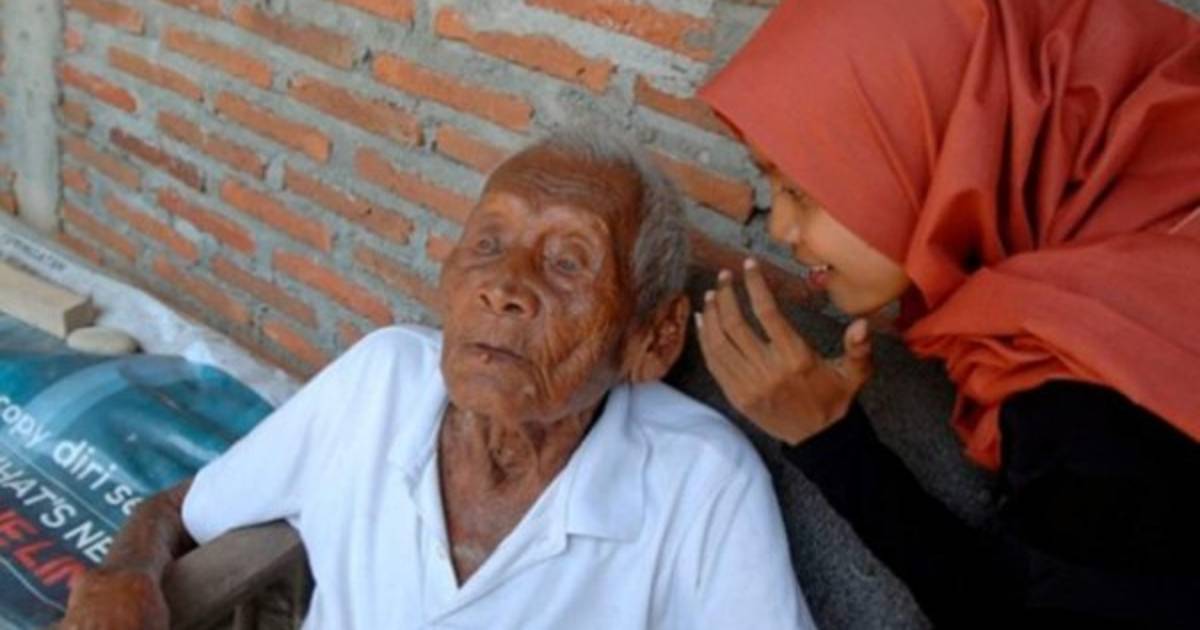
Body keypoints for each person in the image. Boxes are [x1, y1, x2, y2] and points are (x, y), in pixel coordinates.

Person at [59, 130, 816, 629]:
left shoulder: (701, 481)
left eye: (566, 262)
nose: (504, 287)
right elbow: (180, 508)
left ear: (654, 338)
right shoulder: (383, 379)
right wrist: (128, 573)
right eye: (488, 243)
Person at [694, 0, 1200, 627]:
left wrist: (834, 448)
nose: (780, 228)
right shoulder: (1154, 245)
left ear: (942, 154)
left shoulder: (1100, 402)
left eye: (799, 190)